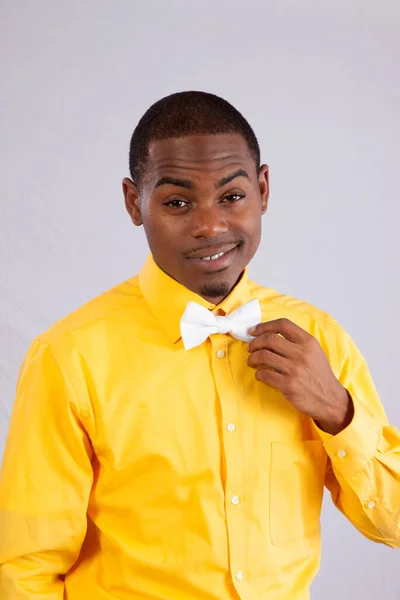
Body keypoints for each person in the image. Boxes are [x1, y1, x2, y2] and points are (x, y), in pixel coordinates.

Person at [0, 91, 399, 600]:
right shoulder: (69, 357)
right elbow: (25, 571)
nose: (210, 226)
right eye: (177, 202)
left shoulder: (321, 340)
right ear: (133, 202)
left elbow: (392, 525)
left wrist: (337, 411)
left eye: (232, 197)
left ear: (263, 190)